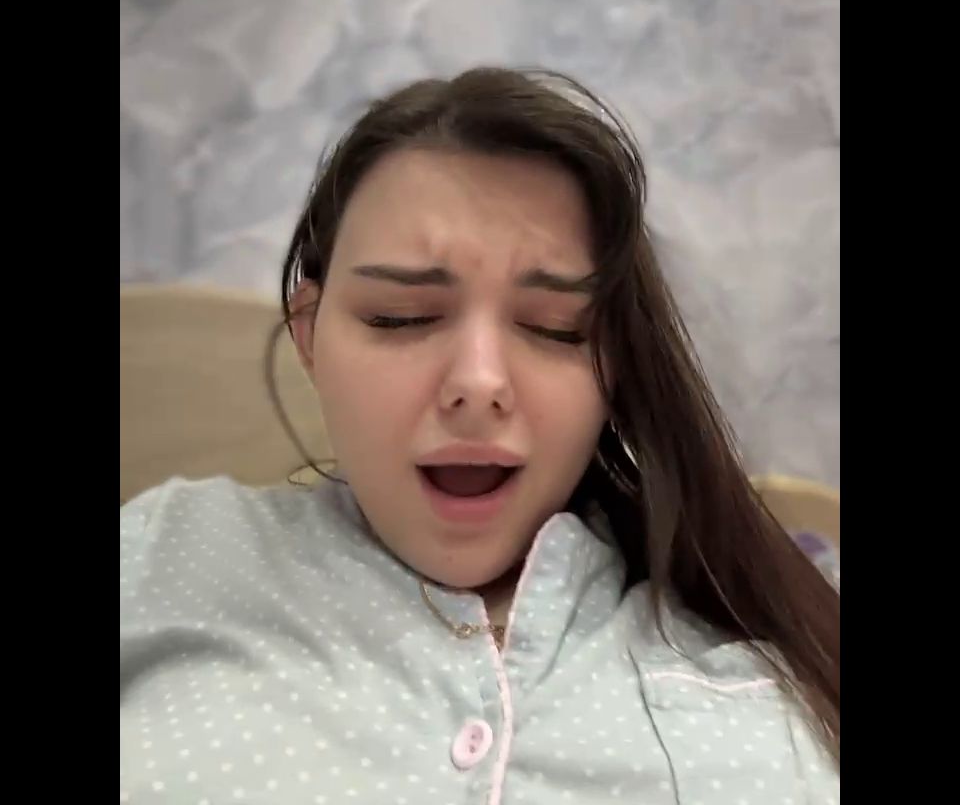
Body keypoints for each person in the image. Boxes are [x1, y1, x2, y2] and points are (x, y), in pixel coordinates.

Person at [120, 67, 840, 804]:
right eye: (402, 317)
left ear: (617, 366)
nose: (480, 381)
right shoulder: (162, 552)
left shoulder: (782, 650)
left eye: (554, 328)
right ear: (309, 336)